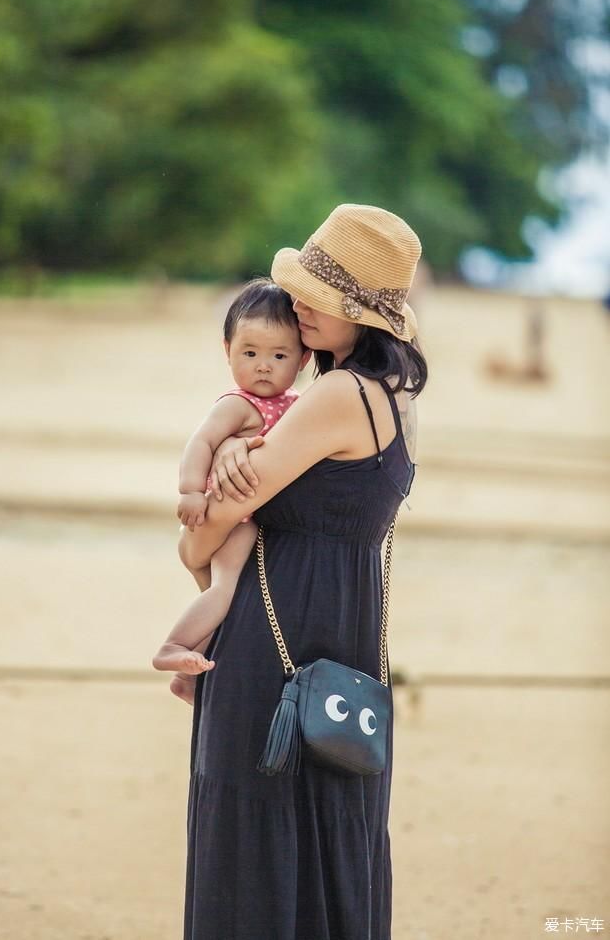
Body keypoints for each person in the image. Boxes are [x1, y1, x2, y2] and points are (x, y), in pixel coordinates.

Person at [176, 203, 427, 940]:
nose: (299, 309)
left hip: (273, 637)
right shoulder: (398, 402)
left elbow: (204, 537)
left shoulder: (335, 396)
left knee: (253, 841)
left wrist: (202, 532)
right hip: (345, 638)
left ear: (363, 313)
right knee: (334, 834)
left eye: (321, 298)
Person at [152, 278, 311, 699]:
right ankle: (174, 646)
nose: (263, 365)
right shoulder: (238, 404)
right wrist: (190, 491)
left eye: (279, 355)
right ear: (228, 351)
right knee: (224, 590)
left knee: (232, 605)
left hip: (251, 519)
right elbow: (200, 442)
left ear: (304, 358)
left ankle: (189, 675)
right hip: (232, 518)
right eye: (250, 353)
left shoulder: (299, 405)